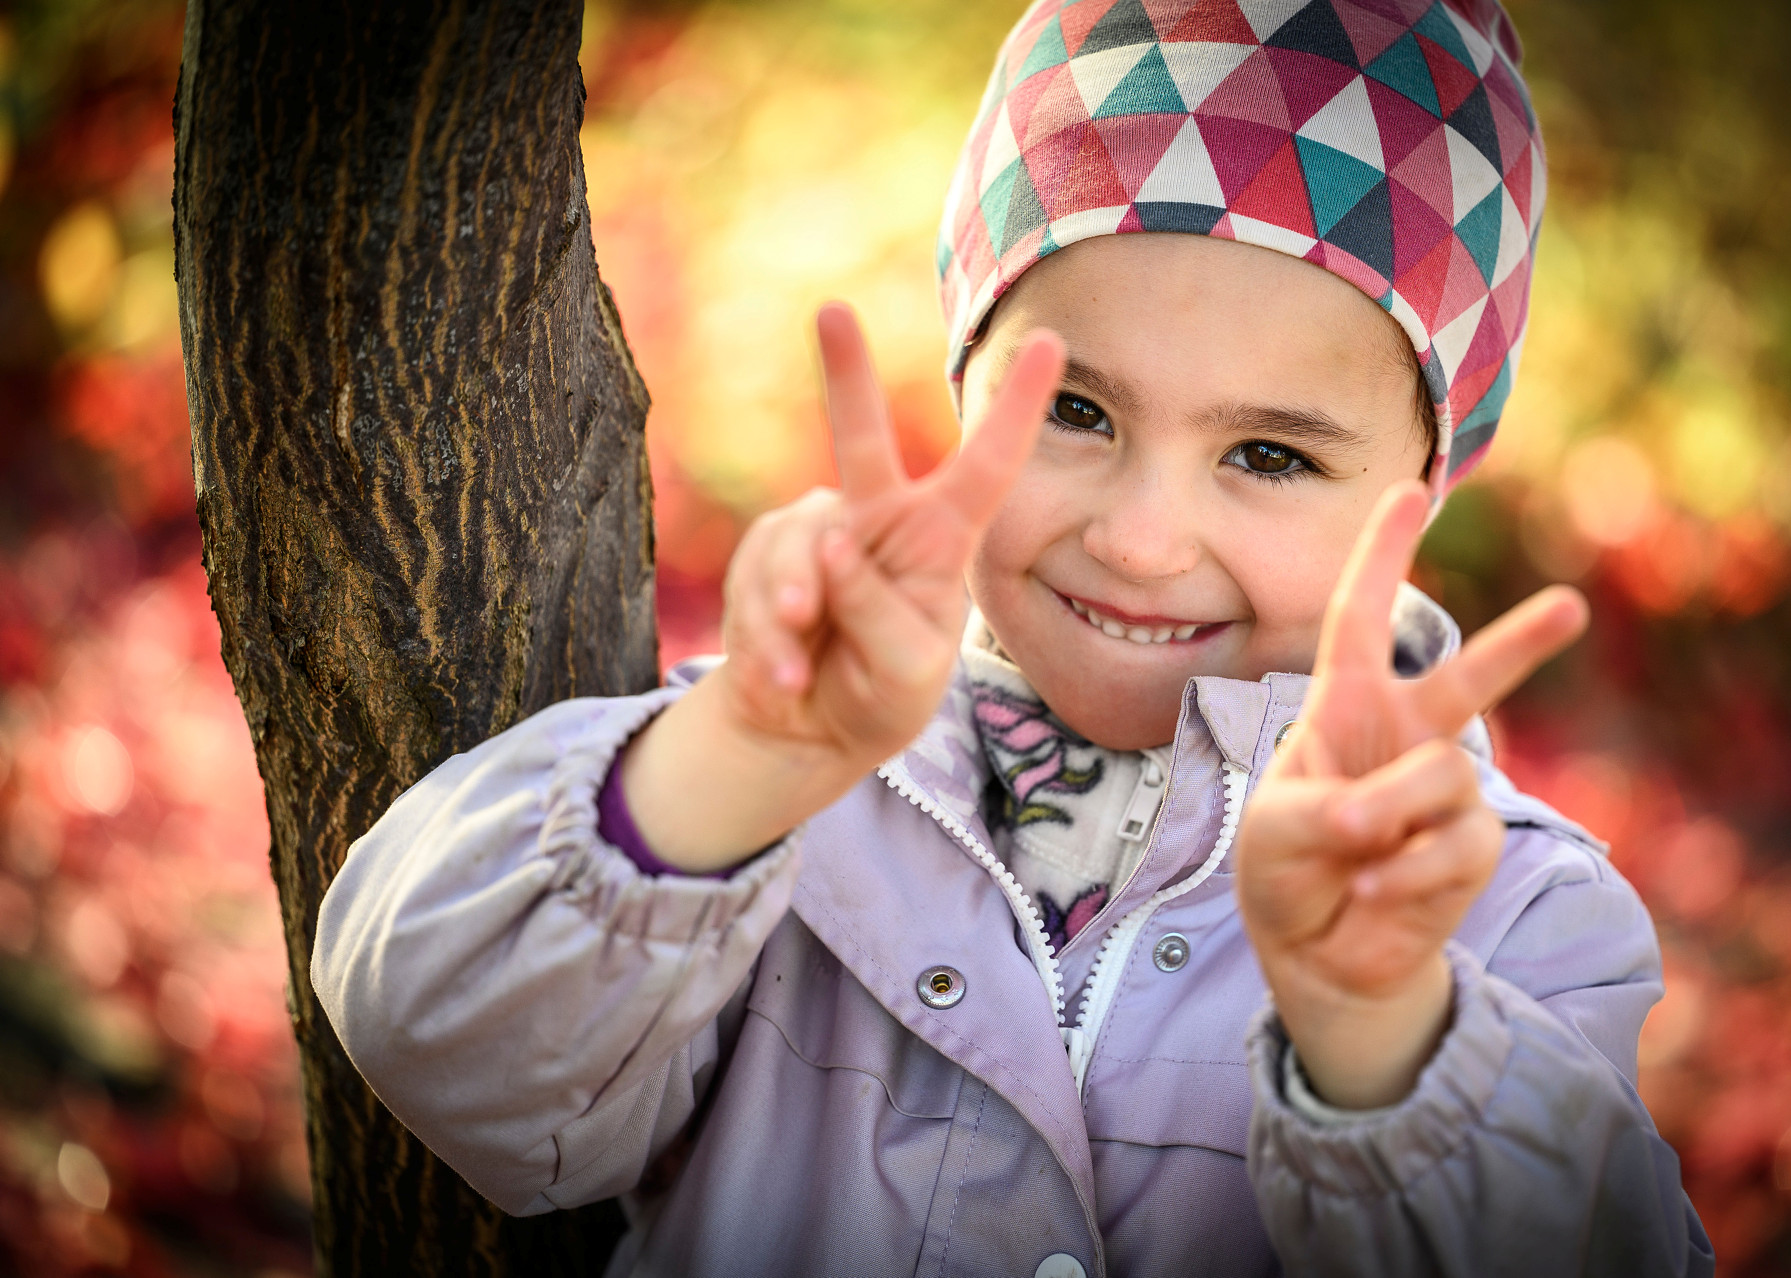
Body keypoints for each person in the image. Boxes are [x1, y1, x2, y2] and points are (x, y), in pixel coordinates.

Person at [312, 1, 1714, 1274]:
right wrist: (739, 755)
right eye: (1077, 412)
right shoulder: (785, 777)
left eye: (1272, 455)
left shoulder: (1504, 913)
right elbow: (437, 1046)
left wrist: (1379, 1030)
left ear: (1424, 483)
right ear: (966, 370)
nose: (1141, 537)